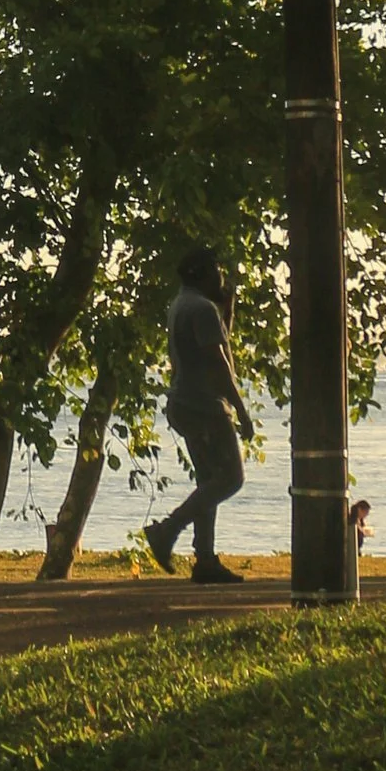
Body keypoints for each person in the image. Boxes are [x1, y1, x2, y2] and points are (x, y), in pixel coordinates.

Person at [143, 246, 256, 582]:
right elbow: (219, 364)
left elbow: (221, 341)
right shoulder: (202, 308)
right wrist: (242, 411)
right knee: (231, 478)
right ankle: (167, 530)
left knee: (209, 481)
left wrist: (228, 308)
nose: (222, 276)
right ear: (204, 273)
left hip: (185, 403)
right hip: (204, 405)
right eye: (217, 270)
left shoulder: (184, 304)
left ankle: (205, 560)